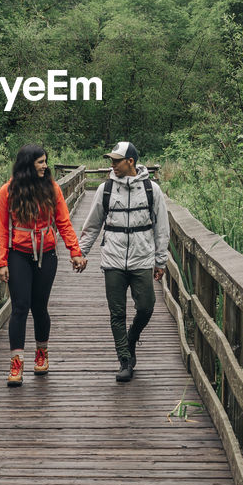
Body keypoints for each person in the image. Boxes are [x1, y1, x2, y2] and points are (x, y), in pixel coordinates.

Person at [77, 141, 169, 382]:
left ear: (131, 162)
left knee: (147, 306)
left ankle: (131, 338)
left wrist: (161, 261)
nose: (112, 164)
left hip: (142, 257)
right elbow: (92, 224)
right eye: (111, 160)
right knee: (116, 313)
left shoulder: (151, 190)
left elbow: (162, 228)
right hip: (113, 258)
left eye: (117, 160)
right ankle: (125, 360)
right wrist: (81, 253)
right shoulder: (105, 189)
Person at [0, 144, 86, 386]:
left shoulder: (52, 188)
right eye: (41, 162)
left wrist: (75, 252)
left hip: (46, 253)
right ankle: (17, 364)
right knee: (19, 307)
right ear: (28, 165)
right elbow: (2, 230)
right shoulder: (8, 192)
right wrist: (1, 262)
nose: (46, 166)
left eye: (46, 161)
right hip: (18, 254)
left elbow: (64, 222)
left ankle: (41, 353)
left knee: (40, 307)